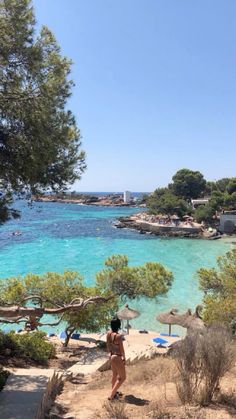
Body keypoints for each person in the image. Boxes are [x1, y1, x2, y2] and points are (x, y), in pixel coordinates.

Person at [106, 316, 126, 400]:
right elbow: (122, 350)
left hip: (111, 356)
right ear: (119, 325)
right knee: (123, 378)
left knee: (115, 375)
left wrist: (110, 353)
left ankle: (114, 393)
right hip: (117, 357)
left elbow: (108, 345)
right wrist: (124, 358)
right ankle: (111, 395)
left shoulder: (108, 334)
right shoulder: (118, 336)